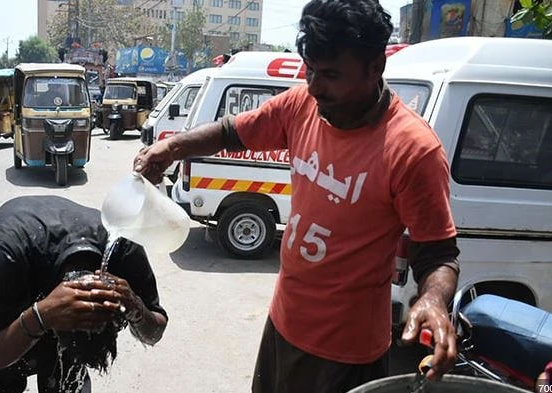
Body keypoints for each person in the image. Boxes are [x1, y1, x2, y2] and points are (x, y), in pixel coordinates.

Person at [134, 0, 459, 391]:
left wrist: (434, 300)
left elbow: (438, 253)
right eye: (311, 71)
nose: (315, 86)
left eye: (332, 75)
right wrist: (170, 149)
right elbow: (230, 131)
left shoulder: (413, 151)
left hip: (346, 352)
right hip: (283, 324)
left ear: (376, 68)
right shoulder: (301, 105)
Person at [0, 195, 168, 393]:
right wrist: (41, 316)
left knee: (64, 380)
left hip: (40, 265)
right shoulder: (9, 254)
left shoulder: (122, 249)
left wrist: (136, 308)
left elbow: (155, 330)